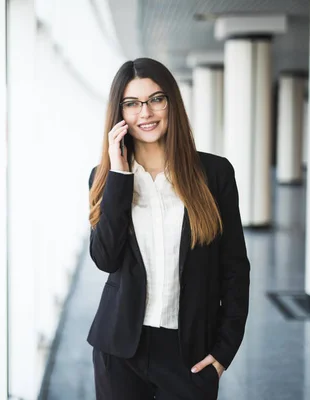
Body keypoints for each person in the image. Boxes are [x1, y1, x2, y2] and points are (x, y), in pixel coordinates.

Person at [87, 58, 250, 400]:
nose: (145, 113)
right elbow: (105, 258)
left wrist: (223, 352)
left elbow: (235, 268)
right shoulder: (108, 178)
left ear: (171, 102)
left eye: (155, 99)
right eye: (132, 104)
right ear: (120, 113)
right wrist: (119, 175)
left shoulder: (214, 174)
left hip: (188, 352)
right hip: (120, 351)